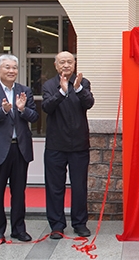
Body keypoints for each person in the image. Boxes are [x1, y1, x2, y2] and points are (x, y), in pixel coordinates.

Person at [0, 54, 39, 244]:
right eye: (7, 67)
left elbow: (34, 116)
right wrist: (2, 111)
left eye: (14, 67)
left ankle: (19, 229)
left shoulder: (25, 91)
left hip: (20, 149)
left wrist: (22, 109)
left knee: (19, 192)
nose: (11, 71)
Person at [42, 51, 95, 239]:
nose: (66, 65)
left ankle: (80, 223)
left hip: (79, 145)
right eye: (62, 62)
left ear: (74, 64)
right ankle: (56, 225)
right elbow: (47, 107)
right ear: (56, 65)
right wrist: (62, 92)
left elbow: (89, 103)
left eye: (69, 62)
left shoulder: (83, 83)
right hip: (55, 145)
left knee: (79, 187)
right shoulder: (49, 85)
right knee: (54, 187)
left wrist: (78, 89)